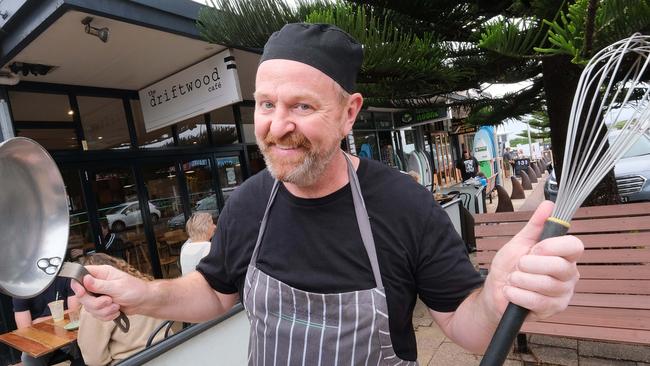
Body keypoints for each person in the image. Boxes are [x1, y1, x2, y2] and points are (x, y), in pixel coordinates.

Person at [73, 23, 582, 364]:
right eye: (266, 104)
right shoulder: (250, 202)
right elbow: (214, 290)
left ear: (349, 113)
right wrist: (145, 295)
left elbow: (465, 329)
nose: (278, 125)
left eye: (302, 107)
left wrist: (495, 297)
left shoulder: (403, 205)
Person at [77, 253, 170, 366]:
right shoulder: (144, 284)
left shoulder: (97, 305)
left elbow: (94, 360)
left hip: (135, 361)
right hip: (170, 350)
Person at [13, 278, 82, 366]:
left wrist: (38, 321)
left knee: (84, 344)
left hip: (69, 334)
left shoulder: (65, 277)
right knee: (28, 358)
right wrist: (62, 315)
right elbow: (25, 328)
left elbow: (75, 313)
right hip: (41, 340)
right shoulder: (20, 288)